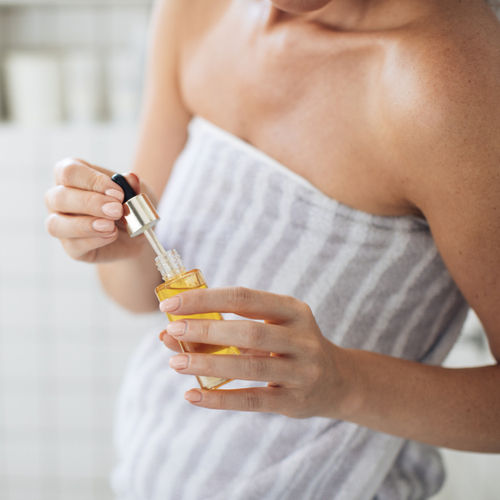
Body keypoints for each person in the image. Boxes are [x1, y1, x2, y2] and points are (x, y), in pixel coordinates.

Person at [45, 0, 500, 498]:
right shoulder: (192, 11)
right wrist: (118, 244)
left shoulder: (453, 81)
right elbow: (135, 294)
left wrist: (345, 383)